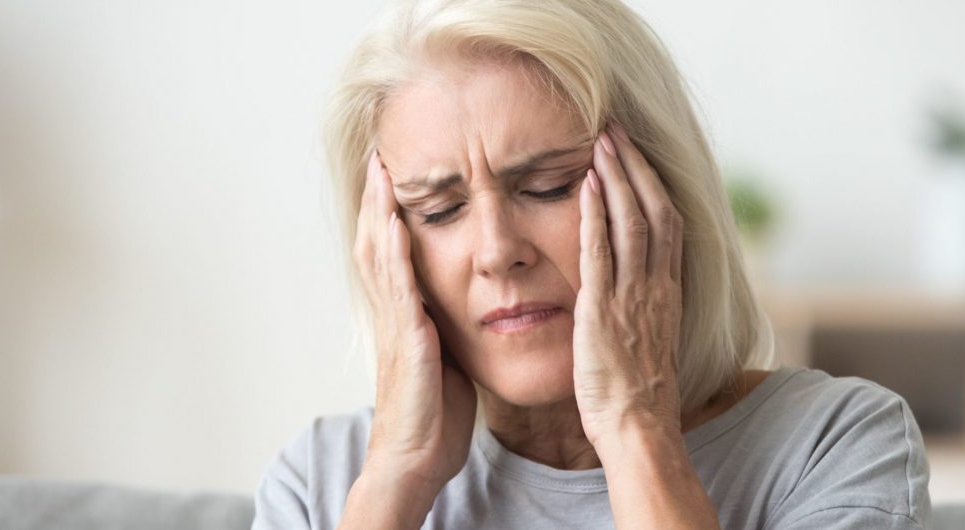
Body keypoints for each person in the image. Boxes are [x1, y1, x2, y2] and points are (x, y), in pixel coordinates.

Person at [252, 0, 931, 528]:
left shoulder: (834, 445)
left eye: (547, 186)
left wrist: (638, 430)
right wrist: (395, 482)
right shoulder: (322, 482)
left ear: (660, 192)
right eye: (437, 210)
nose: (496, 251)